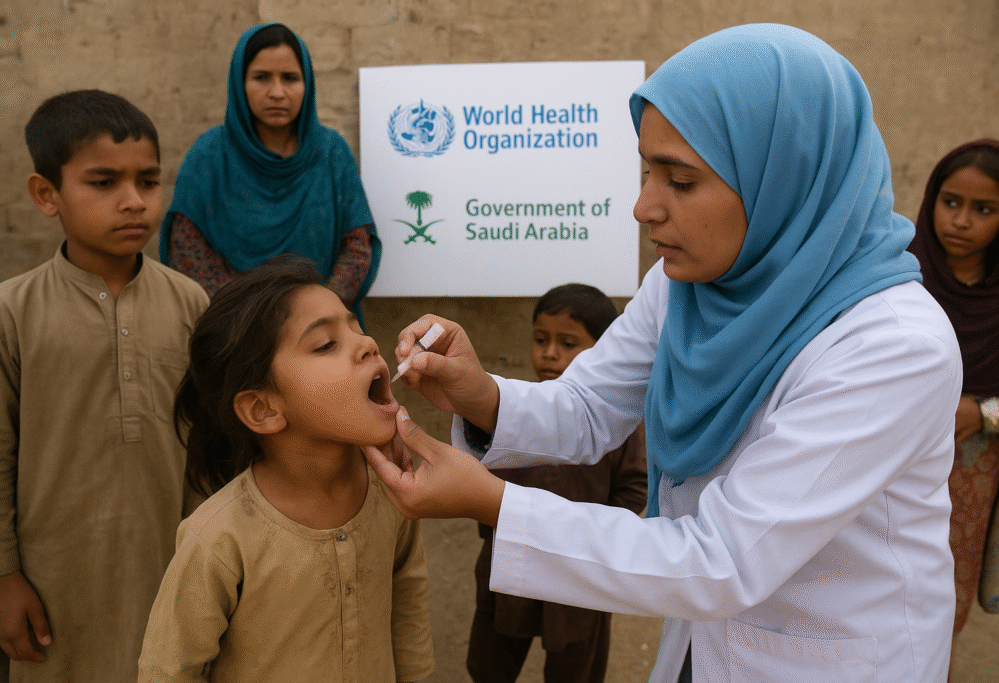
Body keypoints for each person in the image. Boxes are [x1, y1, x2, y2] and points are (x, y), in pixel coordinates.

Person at [363, 24, 963, 683]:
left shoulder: (893, 347)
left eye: (680, 179)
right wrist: (480, 394)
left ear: (783, 178)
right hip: (704, 645)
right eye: (647, 170)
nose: (643, 206)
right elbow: (591, 404)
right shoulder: (690, 286)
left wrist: (494, 502)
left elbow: (724, 560)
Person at [0, 90, 210, 682]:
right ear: (46, 194)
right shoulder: (8, 314)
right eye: (103, 183)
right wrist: (3, 578)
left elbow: (207, 447)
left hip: (170, 569)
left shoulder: (189, 303)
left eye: (149, 182)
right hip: (52, 589)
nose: (134, 202)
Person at [137, 256, 433, 683]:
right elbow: (169, 671)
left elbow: (408, 611)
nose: (367, 344)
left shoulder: (393, 493)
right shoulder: (219, 537)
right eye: (326, 344)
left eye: (355, 326)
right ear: (263, 409)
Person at [466, 283, 648, 683]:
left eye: (568, 343)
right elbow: (479, 480)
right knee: (490, 663)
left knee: (575, 665)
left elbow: (635, 488)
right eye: (540, 340)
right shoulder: (512, 410)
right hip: (510, 562)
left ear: (604, 353)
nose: (550, 353)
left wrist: (587, 533)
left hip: (579, 571)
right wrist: (502, 526)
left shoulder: (619, 424)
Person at [159, 22, 380, 322]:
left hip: (324, 327)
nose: (277, 92)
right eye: (261, 77)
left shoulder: (330, 153)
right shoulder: (209, 156)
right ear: (240, 82)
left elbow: (356, 248)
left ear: (307, 84)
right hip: (235, 332)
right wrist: (256, 322)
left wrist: (314, 314)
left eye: (290, 78)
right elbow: (189, 253)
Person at [908, 140, 999, 656]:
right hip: (893, 460)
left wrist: (983, 412)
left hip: (970, 477)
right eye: (950, 202)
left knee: (943, 604)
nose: (961, 221)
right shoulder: (898, 276)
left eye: (984, 209)